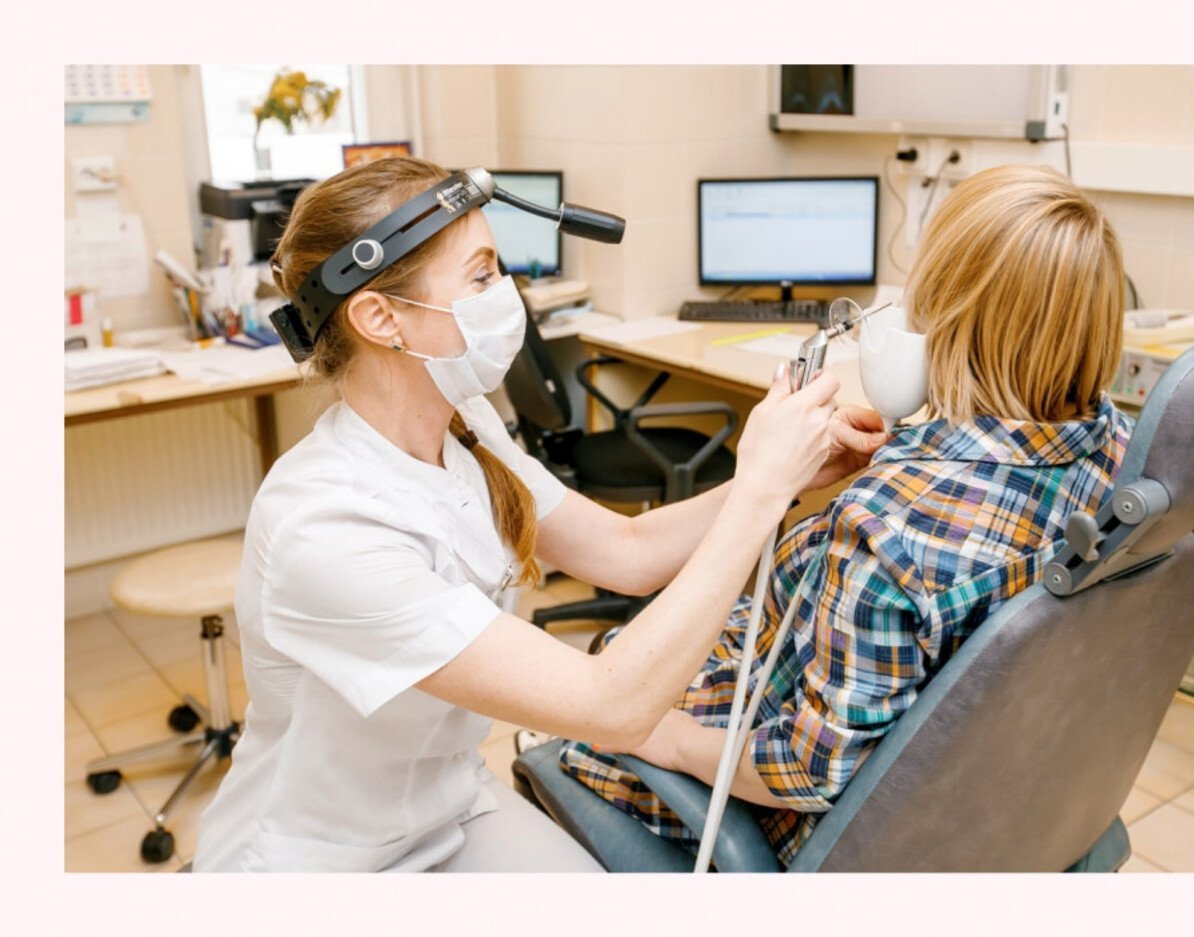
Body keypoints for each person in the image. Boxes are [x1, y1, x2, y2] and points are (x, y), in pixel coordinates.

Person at [191, 157, 886, 872]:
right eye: (482, 276)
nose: (507, 295)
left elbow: (627, 549)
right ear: (380, 318)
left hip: (447, 803)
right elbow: (612, 706)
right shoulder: (326, 527)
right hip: (322, 859)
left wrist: (789, 476)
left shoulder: (466, 425)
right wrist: (761, 491)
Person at [559, 164, 1136, 868]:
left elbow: (808, 771)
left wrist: (667, 738)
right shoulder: (1122, 454)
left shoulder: (885, 531)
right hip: (976, 799)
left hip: (767, 795)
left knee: (581, 722)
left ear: (946, 320)